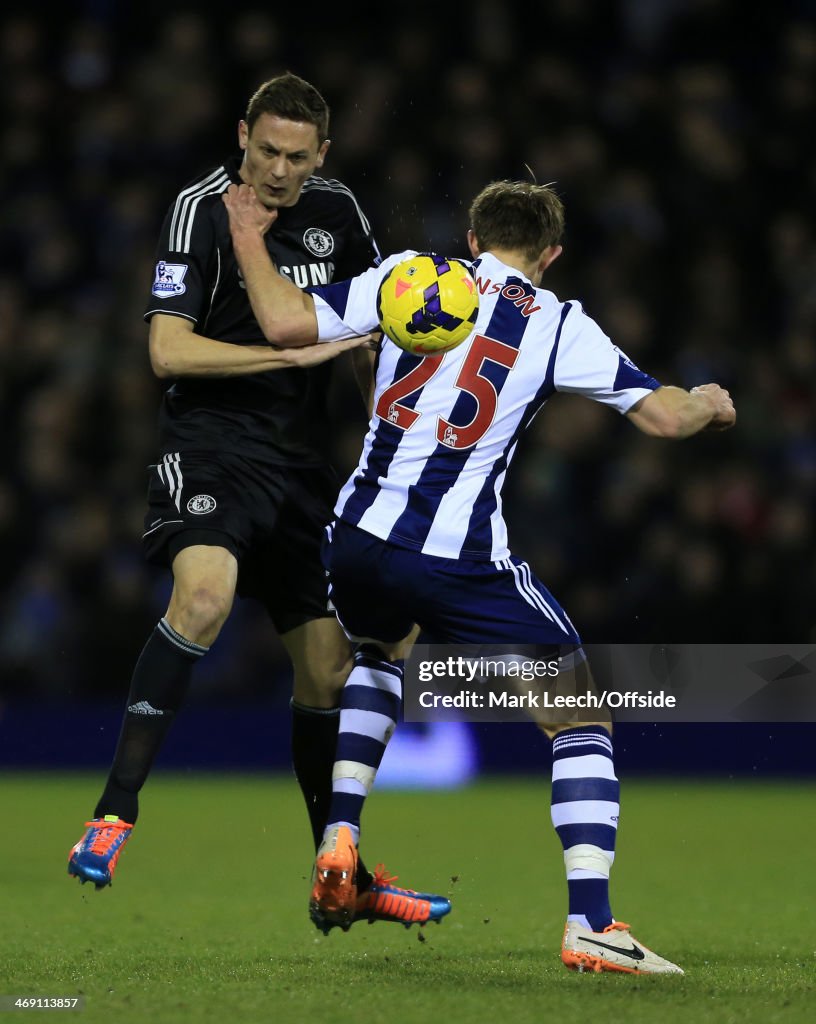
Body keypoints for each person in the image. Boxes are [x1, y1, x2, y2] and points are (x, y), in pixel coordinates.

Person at [221, 176, 736, 969]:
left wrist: (249, 236)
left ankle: (340, 834)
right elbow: (664, 416)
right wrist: (708, 401)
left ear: (471, 238)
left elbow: (285, 322)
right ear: (551, 255)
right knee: (581, 717)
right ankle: (591, 923)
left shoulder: (406, 276)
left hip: (356, 535)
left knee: (379, 653)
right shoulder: (560, 321)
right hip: (457, 556)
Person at [67, 71, 451, 932]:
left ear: (324, 155)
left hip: (307, 470)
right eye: (266, 150)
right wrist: (282, 360)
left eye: (297, 157)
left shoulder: (341, 214)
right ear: (242, 135)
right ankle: (112, 815)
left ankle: (337, 876)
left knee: (327, 669)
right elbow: (168, 350)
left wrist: (390, 441)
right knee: (203, 597)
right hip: (213, 448)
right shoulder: (198, 208)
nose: (278, 171)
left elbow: (361, 342)